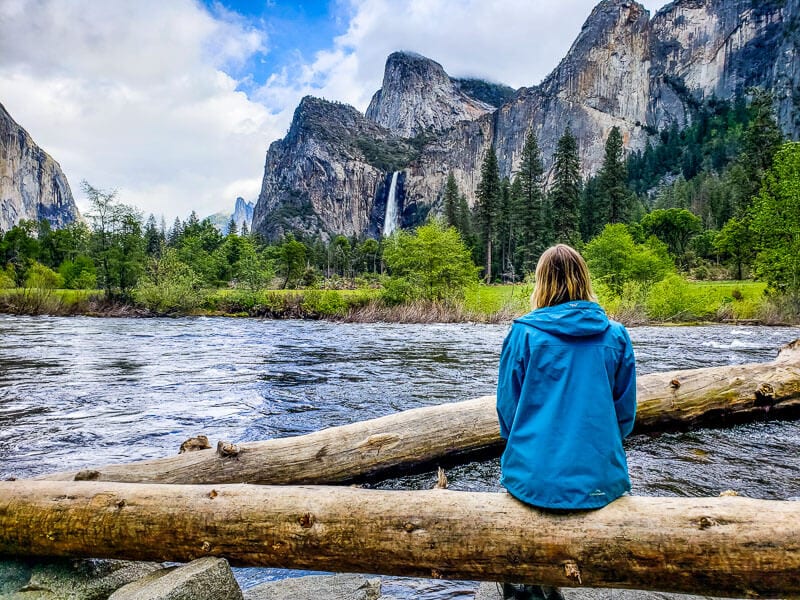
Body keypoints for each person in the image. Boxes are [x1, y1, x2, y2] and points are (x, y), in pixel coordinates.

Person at [496, 244, 637, 600]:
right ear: (584, 279)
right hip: (600, 481)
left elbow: (507, 414)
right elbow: (625, 416)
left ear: (541, 282)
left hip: (533, 479)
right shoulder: (616, 335)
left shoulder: (523, 334)